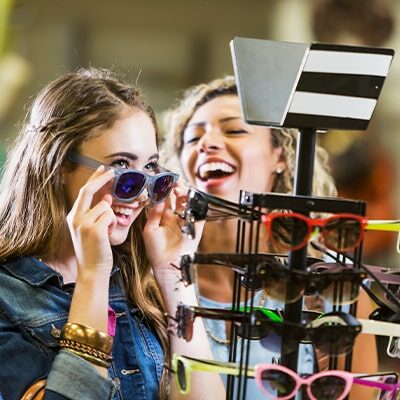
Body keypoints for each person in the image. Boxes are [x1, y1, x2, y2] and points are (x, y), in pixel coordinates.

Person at [0, 68, 225, 400]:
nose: (140, 195)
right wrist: (92, 275)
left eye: (150, 168)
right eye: (121, 166)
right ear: (59, 165)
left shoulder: (141, 281)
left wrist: (173, 274)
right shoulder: (7, 295)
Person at [162, 75, 379, 399]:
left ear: (281, 155)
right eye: (193, 138)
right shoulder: (152, 275)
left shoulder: (333, 284)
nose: (207, 143)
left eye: (234, 130)